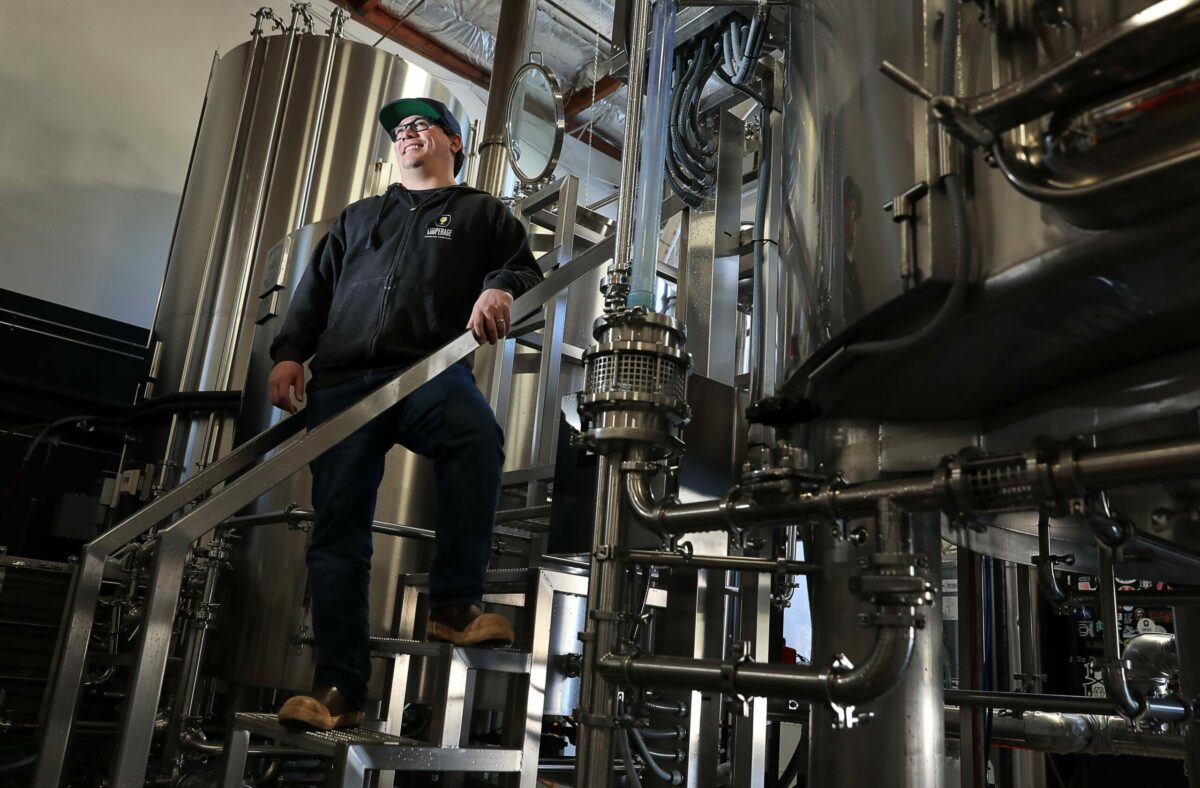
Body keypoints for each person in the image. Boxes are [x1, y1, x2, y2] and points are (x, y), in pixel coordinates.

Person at [267, 97, 543, 730]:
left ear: (453, 142)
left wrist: (497, 285)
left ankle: (453, 604)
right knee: (338, 531)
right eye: (399, 130)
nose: (407, 134)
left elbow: (520, 266)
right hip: (341, 383)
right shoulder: (358, 217)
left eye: (422, 126)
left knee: (476, 435)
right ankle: (339, 688)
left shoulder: (481, 212)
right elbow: (315, 293)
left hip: (425, 371)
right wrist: (289, 354)